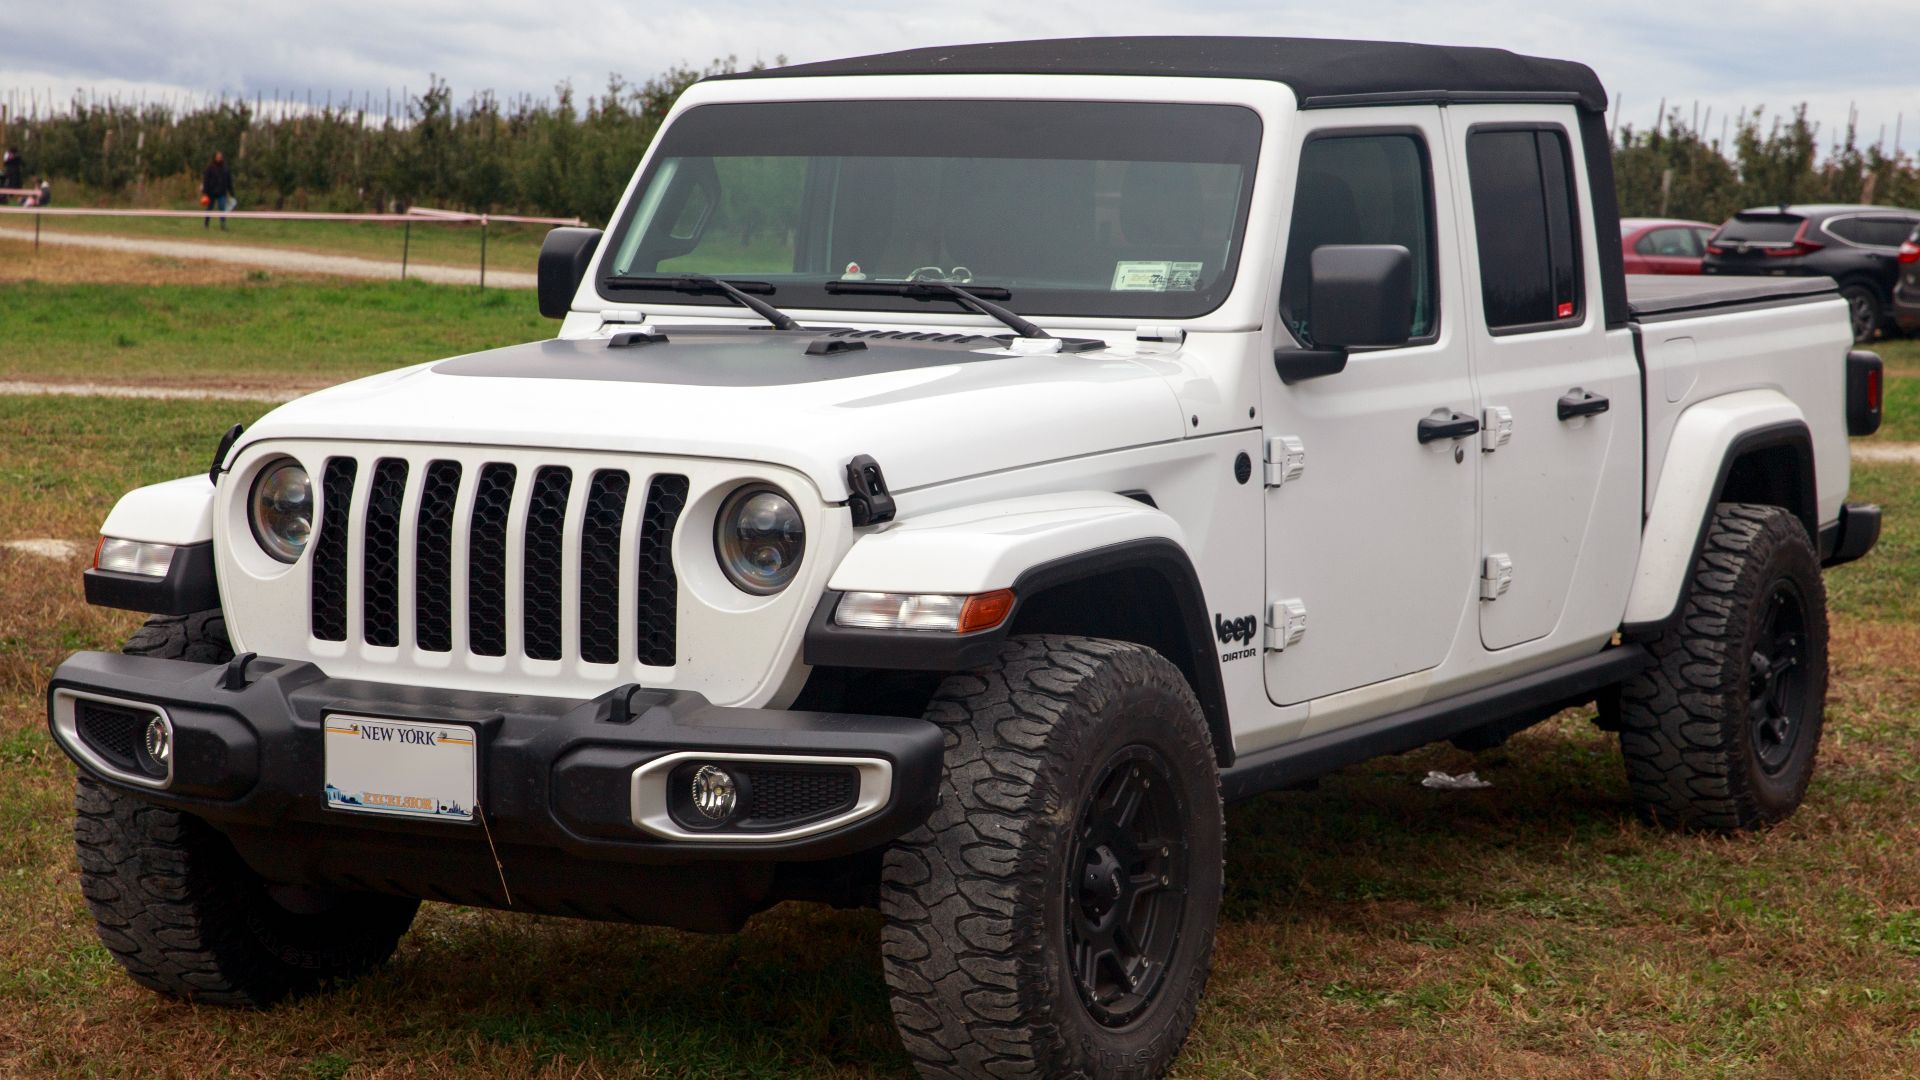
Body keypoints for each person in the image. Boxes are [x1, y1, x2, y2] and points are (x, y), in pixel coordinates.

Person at [201, 151, 235, 229]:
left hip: (222, 193)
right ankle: (206, 224)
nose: (219, 158)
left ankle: (223, 225)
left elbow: (229, 181)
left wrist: (232, 193)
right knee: (209, 208)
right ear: (214, 157)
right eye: (217, 157)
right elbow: (206, 180)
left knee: (222, 208)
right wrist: (205, 192)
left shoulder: (225, 168)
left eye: (220, 157)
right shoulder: (210, 168)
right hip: (211, 192)